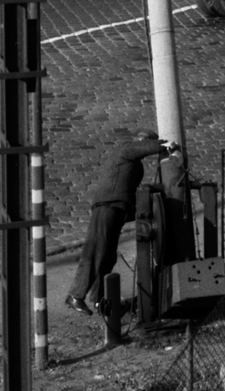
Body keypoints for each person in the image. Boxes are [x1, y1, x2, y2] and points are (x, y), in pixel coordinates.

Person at [65, 129, 170, 315]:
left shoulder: (137, 167)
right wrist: (166, 144)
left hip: (118, 210)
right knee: (96, 250)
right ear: (140, 141)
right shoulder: (126, 149)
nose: (144, 145)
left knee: (107, 256)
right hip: (107, 206)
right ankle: (75, 295)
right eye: (145, 141)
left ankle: (99, 300)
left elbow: (131, 191)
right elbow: (144, 148)